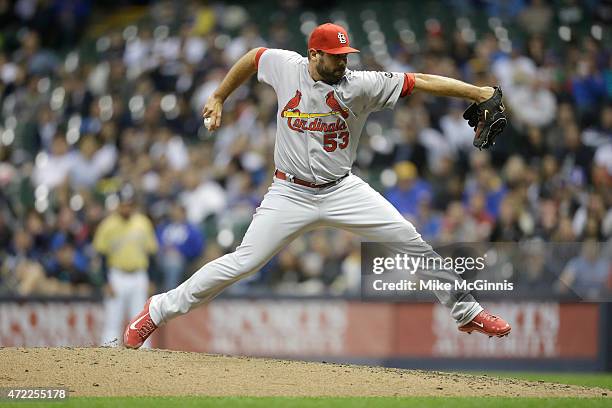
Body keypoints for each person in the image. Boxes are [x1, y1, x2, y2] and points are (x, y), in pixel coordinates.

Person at [124, 23, 511, 349]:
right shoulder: (285, 66)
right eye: (336, 56)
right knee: (242, 262)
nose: (344, 61)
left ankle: (467, 313)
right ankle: (157, 310)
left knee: (410, 240)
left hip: (342, 189)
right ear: (314, 56)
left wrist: (478, 93)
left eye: (346, 55)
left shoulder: (361, 85)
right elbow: (253, 57)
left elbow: (420, 80)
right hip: (289, 192)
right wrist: (219, 95)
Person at [93, 187, 158, 346]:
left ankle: (145, 360)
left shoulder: (143, 223)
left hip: (139, 276)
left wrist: (152, 279)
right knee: (112, 321)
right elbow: (102, 256)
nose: (126, 208)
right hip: (116, 276)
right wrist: (105, 281)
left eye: (129, 204)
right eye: (124, 204)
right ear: (118, 205)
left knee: (142, 322)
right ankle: (108, 359)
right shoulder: (108, 225)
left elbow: (152, 254)